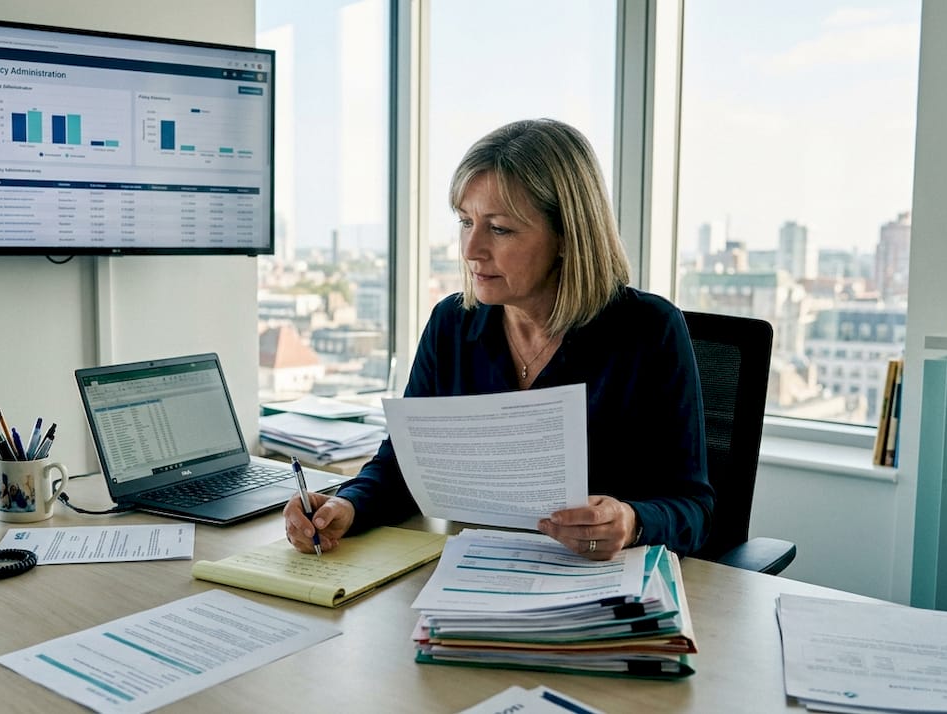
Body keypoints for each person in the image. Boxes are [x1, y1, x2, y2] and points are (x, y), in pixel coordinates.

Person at [284, 118, 713, 560]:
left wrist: (632, 521)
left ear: (567, 235)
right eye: (465, 222)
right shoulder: (452, 324)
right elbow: (402, 468)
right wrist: (346, 503)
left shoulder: (649, 330)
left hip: (596, 587)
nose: (471, 249)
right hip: (471, 573)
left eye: (500, 228)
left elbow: (694, 508)